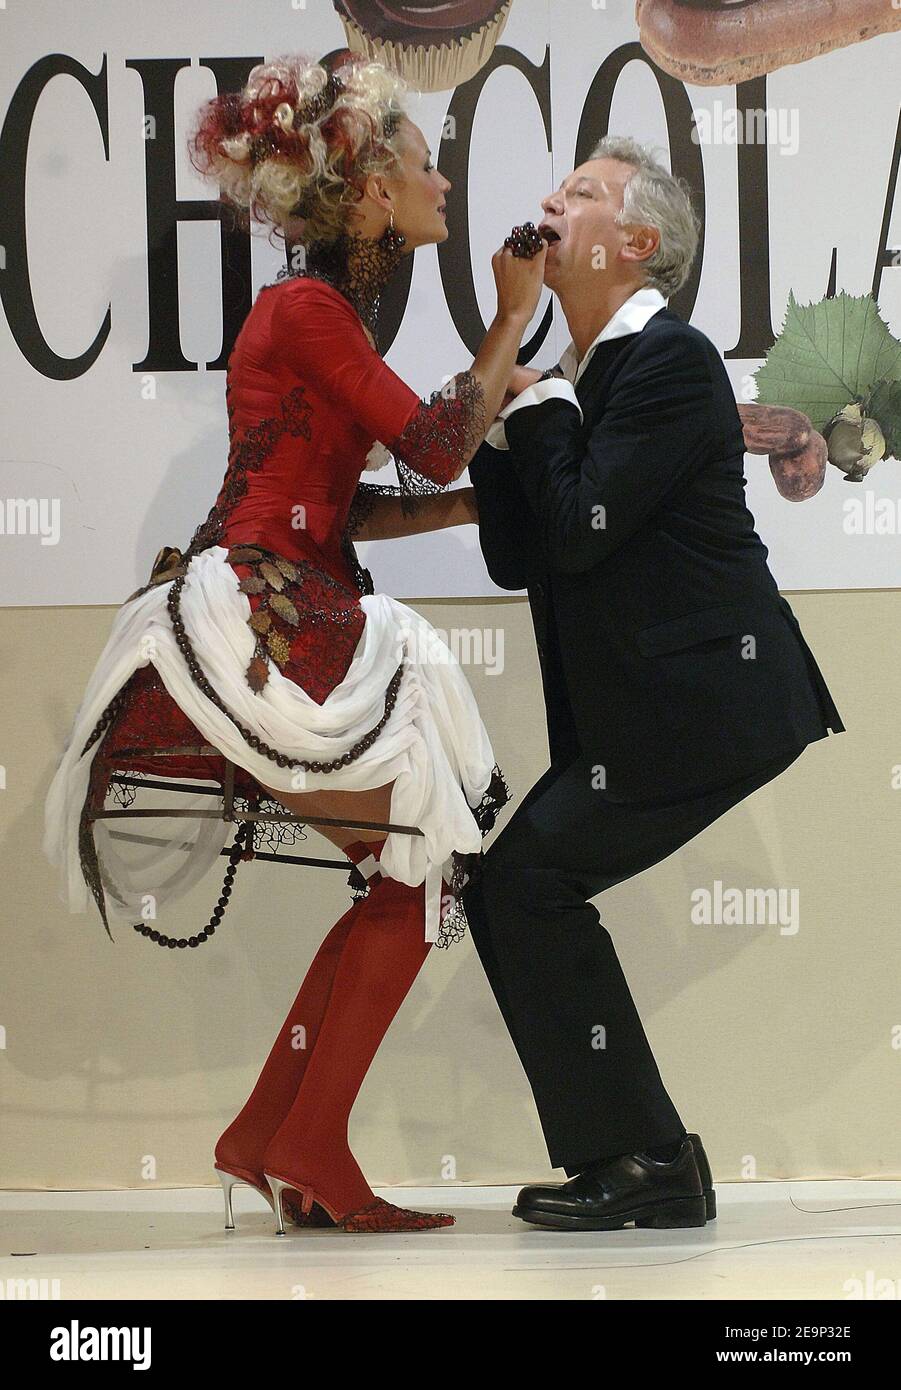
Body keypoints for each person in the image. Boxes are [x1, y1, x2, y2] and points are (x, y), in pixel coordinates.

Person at [43, 52, 546, 1234]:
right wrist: (507, 322)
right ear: (369, 191)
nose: (442, 181)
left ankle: (274, 1134)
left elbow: (359, 500)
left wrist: (470, 503)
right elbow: (428, 441)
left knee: (405, 869)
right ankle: (301, 1139)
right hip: (266, 614)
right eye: (424, 164)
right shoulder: (310, 308)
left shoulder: (314, 312)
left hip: (284, 597)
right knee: (421, 866)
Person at [464, 135, 845, 1232]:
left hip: (709, 707)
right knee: (517, 887)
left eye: (578, 192)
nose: (548, 199)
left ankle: (644, 1159)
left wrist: (531, 412)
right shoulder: (591, 378)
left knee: (522, 885)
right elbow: (520, 557)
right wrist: (502, 431)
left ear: (636, 245)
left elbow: (581, 528)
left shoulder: (669, 358)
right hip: (654, 716)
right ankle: (644, 1159)